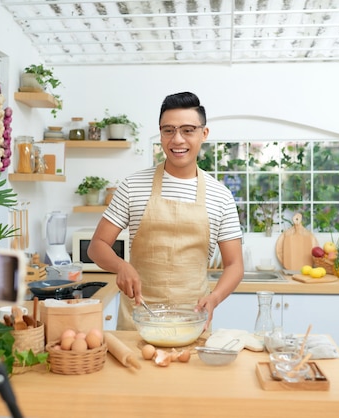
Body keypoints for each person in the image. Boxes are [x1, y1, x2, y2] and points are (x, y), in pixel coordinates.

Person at [87, 91, 244, 330]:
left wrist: (214, 298)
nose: (177, 139)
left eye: (188, 130)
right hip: (139, 320)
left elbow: (234, 265)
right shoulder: (132, 186)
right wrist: (121, 266)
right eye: (168, 130)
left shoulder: (220, 195)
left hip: (192, 320)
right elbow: (97, 245)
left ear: (204, 134)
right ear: (160, 134)